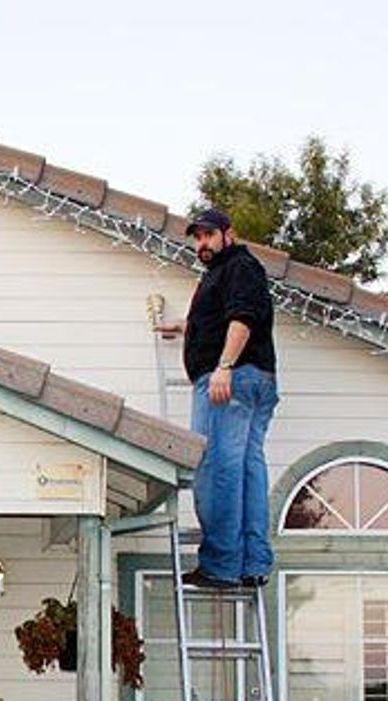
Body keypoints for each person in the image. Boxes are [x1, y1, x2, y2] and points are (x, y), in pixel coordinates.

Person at [156, 208, 279, 589]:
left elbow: (242, 318)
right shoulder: (229, 272)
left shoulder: (239, 266)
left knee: (216, 469)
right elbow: (222, 316)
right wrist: (184, 326)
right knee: (245, 470)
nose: (202, 243)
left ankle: (222, 566)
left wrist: (225, 366)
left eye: (209, 235)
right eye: (197, 237)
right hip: (254, 379)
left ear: (229, 233)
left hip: (230, 381)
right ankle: (253, 563)